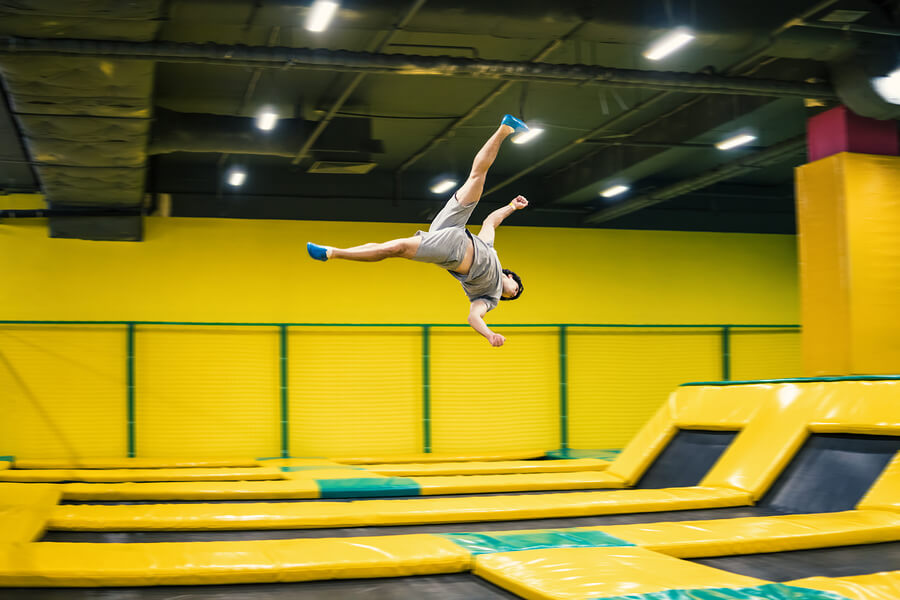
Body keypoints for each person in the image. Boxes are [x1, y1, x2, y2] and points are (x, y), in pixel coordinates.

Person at [307, 114, 529, 347]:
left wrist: (489, 334)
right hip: (453, 228)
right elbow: (490, 222)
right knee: (476, 178)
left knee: (395, 248)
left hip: (451, 250)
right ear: (511, 277)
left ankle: (333, 252)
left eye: (511, 298)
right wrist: (512, 206)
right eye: (516, 291)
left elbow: (473, 317)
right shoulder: (492, 253)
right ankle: (505, 128)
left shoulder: (490, 297)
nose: (512, 295)